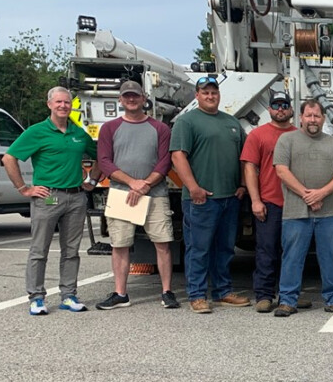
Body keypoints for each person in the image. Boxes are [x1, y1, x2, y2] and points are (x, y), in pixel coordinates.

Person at [3, 86, 100, 315]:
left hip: (76, 197)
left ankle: (68, 295)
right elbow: (9, 158)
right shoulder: (37, 132)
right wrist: (24, 189)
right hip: (49, 197)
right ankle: (36, 297)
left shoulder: (78, 133)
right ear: (49, 105)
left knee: (71, 250)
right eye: (58, 102)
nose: (63, 106)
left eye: (67, 102)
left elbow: (101, 156)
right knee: (40, 249)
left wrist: (92, 180)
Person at [93, 80, 179, 310]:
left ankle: (167, 291)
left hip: (156, 194)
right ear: (120, 100)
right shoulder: (109, 128)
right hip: (121, 193)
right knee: (119, 244)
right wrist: (133, 182)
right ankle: (120, 293)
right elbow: (104, 161)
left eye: (135, 95)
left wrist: (145, 185)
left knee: (162, 243)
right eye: (126, 96)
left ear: (144, 98)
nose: (131, 99)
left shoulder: (161, 129)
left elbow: (164, 162)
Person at [170, 75, 250, 314]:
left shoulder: (232, 122)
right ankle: (196, 295)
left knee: (225, 248)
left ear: (219, 95)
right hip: (201, 199)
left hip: (229, 198)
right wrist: (193, 187)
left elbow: (245, 158)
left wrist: (243, 185)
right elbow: (178, 156)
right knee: (199, 248)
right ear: (197, 95)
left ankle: (223, 291)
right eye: (205, 92)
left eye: (213, 92)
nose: (210, 95)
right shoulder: (187, 122)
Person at [272, 100, 333, 317]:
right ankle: (288, 300)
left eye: (317, 116)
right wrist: (307, 195)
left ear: (323, 119)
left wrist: (322, 193)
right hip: (296, 213)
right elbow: (281, 171)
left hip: (328, 213)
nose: (313, 120)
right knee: (292, 257)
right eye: (308, 116)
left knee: (330, 257)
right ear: (301, 117)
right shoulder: (286, 140)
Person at [241, 91, 305, 313]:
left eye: (284, 105)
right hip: (270, 202)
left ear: (291, 110)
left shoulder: (300, 135)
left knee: (293, 252)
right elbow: (250, 168)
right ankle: (264, 295)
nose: (280, 109)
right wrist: (255, 201)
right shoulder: (257, 135)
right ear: (269, 109)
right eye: (276, 105)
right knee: (266, 250)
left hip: (296, 204)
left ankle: (290, 295)